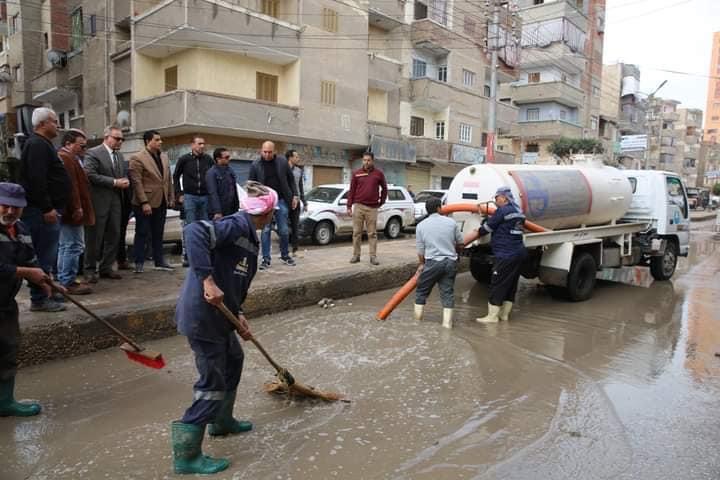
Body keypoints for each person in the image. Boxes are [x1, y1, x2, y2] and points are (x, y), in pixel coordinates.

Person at [172, 181, 277, 475]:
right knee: (211, 384)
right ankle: (187, 457)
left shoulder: (248, 234)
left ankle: (222, 422)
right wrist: (206, 280)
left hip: (222, 316)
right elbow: (193, 232)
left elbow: (233, 279)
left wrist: (239, 313)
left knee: (234, 359)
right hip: (203, 318)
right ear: (266, 213)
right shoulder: (236, 224)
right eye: (274, 211)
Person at [0, 183, 63, 416]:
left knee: (8, 349)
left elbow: (30, 260)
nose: (9, 212)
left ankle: (5, 402)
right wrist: (28, 274)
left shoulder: (22, 229)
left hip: (5, 303)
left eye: (15, 208)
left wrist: (45, 281)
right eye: (5, 205)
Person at [18, 107, 70, 312]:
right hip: (40, 212)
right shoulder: (37, 145)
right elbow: (36, 180)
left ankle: (46, 293)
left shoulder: (42, 144)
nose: (58, 125)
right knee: (41, 255)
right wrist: (47, 208)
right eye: (54, 121)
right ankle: (39, 298)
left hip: (46, 210)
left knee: (47, 255)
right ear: (42, 124)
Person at [464, 186, 527, 323]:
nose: (495, 200)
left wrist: (468, 238)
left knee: (497, 283)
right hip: (519, 252)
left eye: (496, 197)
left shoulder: (502, 211)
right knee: (511, 284)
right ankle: (504, 315)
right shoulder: (519, 211)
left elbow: (486, 229)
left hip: (506, 253)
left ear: (504, 197)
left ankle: (492, 317)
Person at [84, 125, 130, 282]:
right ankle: (89, 269)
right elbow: (89, 174)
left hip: (116, 202)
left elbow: (121, 175)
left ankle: (106, 267)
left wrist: (123, 181)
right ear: (106, 137)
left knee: (114, 235)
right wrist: (115, 182)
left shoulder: (119, 156)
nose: (120, 142)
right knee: (94, 237)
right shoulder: (93, 152)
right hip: (98, 202)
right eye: (117, 138)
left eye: (122, 139)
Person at [129, 130, 175, 273]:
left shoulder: (164, 157)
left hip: (161, 200)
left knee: (158, 232)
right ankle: (139, 262)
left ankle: (159, 261)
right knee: (142, 232)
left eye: (160, 139)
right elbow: (136, 182)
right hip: (145, 202)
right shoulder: (137, 158)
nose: (160, 142)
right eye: (157, 140)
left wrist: (170, 197)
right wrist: (144, 202)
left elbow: (168, 179)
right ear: (148, 141)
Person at [414, 197, 464, 329]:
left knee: (421, 292)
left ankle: (417, 323)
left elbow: (420, 251)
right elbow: (461, 243)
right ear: (439, 208)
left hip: (432, 263)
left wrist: (421, 264)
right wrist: (457, 254)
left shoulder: (421, 226)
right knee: (447, 293)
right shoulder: (451, 223)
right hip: (450, 263)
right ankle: (447, 325)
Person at [248, 141, 298, 270]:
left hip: (281, 200)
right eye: (265, 152)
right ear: (261, 151)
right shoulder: (255, 165)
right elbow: (250, 185)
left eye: (270, 152)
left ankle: (285, 255)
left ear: (274, 151)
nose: (267, 154)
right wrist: (253, 202)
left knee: (284, 230)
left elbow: (291, 179)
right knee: (265, 231)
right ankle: (266, 259)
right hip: (264, 203)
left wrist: (295, 196)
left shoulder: (282, 162)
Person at [57, 130, 95, 295]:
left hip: (70, 210)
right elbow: (71, 186)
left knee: (66, 245)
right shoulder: (67, 158)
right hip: (72, 211)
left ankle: (64, 279)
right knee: (73, 245)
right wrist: (77, 207)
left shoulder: (71, 158)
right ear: (68, 144)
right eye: (81, 145)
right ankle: (68, 281)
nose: (84, 149)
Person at [173, 136, 214, 267]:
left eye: (203, 143)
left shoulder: (208, 159)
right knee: (189, 227)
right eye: (199, 143)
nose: (202, 146)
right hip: (189, 197)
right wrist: (179, 194)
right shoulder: (184, 159)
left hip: (205, 197)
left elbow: (213, 177)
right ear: (192, 145)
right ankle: (187, 256)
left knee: (205, 227)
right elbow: (175, 176)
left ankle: (203, 255)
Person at [347, 152, 387, 266]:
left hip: (372, 208)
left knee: (372, 234)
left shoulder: (378, 174)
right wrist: (349, 206)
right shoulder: (357, 174)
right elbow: (352, 191)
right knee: (356, 233)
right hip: (358, 206)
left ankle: (373, 257)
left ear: (372, 161)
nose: (366, 162)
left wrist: (381, 201)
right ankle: (356, 255)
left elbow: (384, 188)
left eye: (368, 160)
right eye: (364, 160)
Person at [207, 148, 239, 220]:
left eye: (229, 157)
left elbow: (234, 189)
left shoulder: (230, 171)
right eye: (226, 157)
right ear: (218, 159)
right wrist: (217, 211)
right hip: (220, 211)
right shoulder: (211, 173)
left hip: (232, 209)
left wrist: (237, 206)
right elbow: (213, 193)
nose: (229, 159)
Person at [286, 149, 305, 256]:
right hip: (285, 201)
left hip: (296, 201)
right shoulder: (283, 169)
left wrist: (304, 201)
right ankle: (284, 250)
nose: (298, 159)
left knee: (295, 226)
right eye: (296, 157)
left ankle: (295, 250)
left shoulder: (299, 171)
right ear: (290, 158)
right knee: (283, 227)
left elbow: (300, 187)